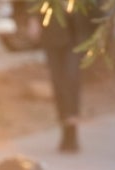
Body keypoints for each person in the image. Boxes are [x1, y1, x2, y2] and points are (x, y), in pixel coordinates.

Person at [34, 0, 97, 153]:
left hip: (77, 34)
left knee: (71, 79)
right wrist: (33, 19)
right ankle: (65, 129)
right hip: (53, 32)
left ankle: (72, 131)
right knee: (58, 83)